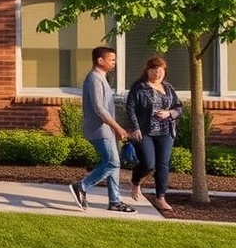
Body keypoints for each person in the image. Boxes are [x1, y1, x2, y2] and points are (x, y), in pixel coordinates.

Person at [68, 46, 135, 212]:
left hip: (107, 130)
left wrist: (115, 130)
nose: (114, 63)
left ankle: (115, 201)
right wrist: (118, 128)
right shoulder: (94, 79)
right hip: (99, 129)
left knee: (113, 164)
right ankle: (82, 186)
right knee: (113, 162)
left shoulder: (101, 78)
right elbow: (99, 109)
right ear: (100, 60)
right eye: (111, 59)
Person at [126, 56, 183, 212]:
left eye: (160, 71)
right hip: (145, 132)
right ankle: (136, 179)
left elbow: (179, 107)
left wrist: (170, 113)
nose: (157, 74)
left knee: (163, 165)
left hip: (166, 132)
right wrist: (135, 128)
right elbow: (130, 109)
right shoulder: (139, 87)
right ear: (147, 70)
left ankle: (160, 198)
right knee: (148, 164)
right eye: (154, 70)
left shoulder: (169, 88)